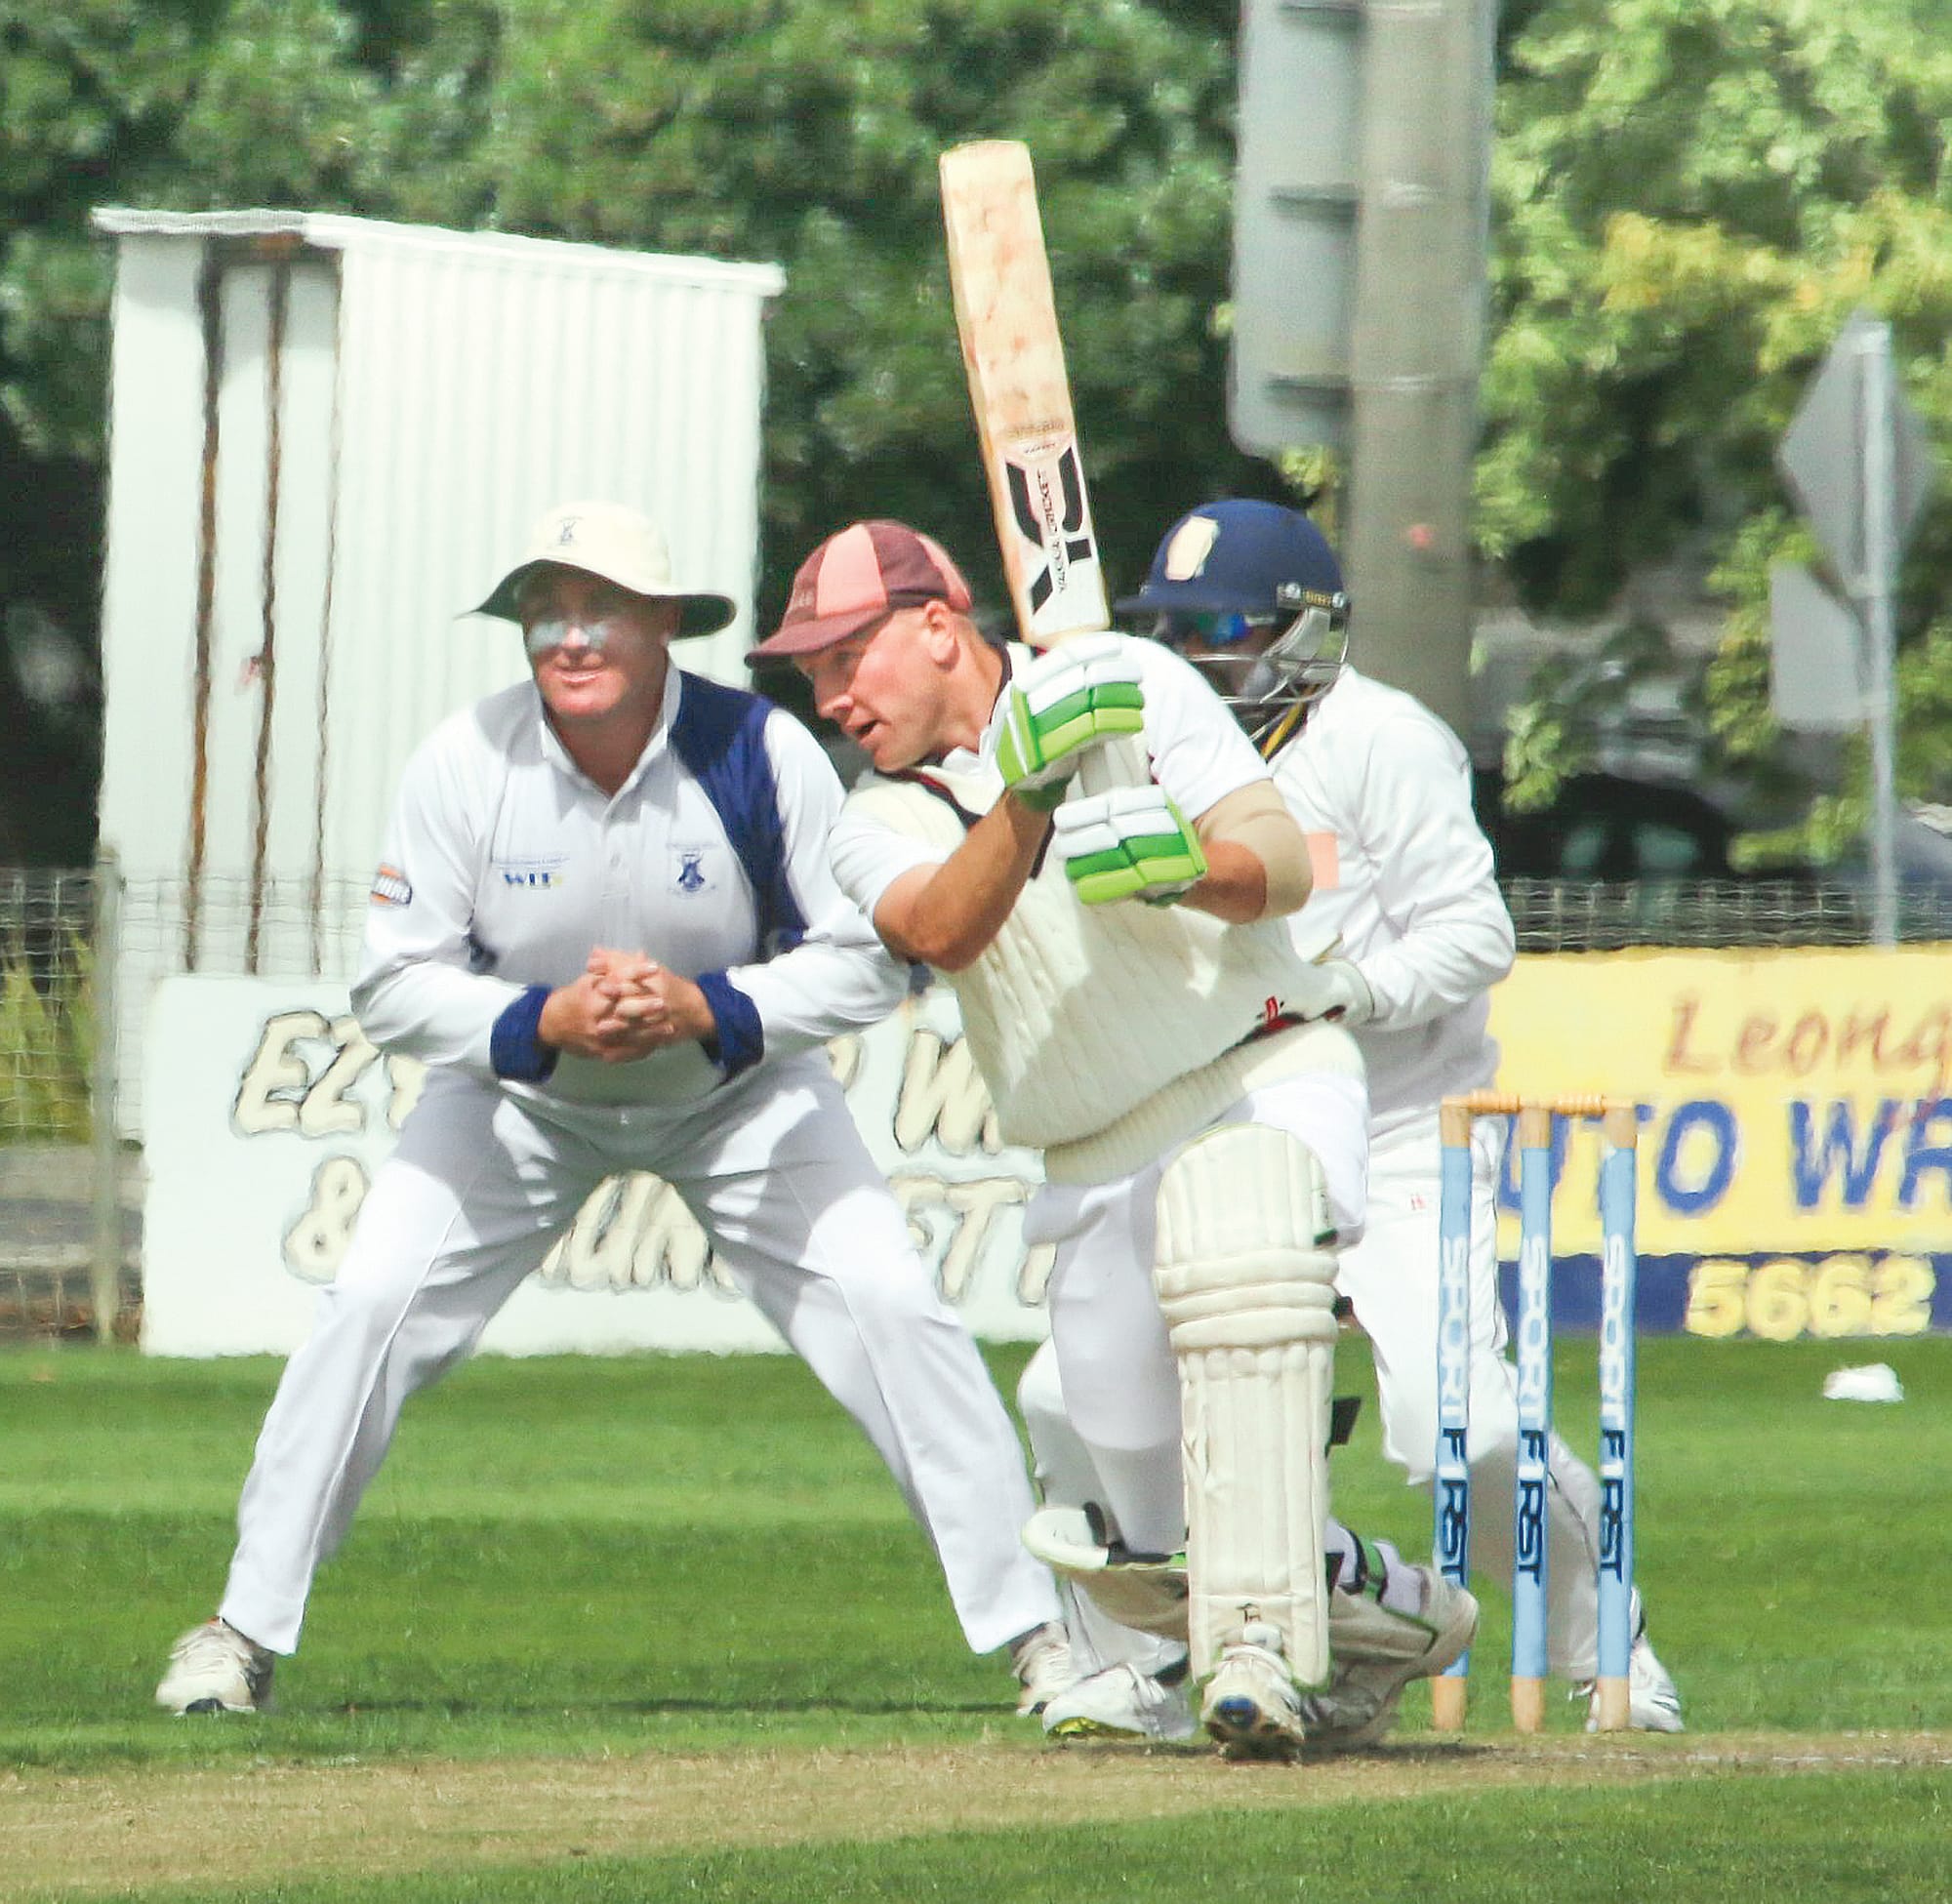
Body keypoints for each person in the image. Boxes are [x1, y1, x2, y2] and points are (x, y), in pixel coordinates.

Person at [155, 501, 1071, 1719]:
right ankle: (239, 1632)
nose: (568, 636)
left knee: (899, 1310)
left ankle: (1040, 1640)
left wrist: (707, 1007)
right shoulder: (467, 760)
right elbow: (389, 978)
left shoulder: (759, 749)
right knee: (367, 1304)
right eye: (545, 611)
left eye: (598, 611)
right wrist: (540, 1022)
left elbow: (872, 961)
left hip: (742, 1097)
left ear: (662, 629)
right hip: (518, 1102)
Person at [754, 517, 1477, 1758]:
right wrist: (1030, 796)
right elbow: (940, 928)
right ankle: (1392, 1607)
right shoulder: (865, 817)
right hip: (1091, 1154)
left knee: (1239, 1275)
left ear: (939, 626)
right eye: (808, 673)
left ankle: (1255, 1654)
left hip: (1260, 1071)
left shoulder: (1130, 687)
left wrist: (1181, 869)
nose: (828, 698)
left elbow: (1276, 864)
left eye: (845, 658)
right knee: (1142, 1508)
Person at [1023, 497, 1683, 1739]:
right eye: (1173, 630)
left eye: (1224, 625)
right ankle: (1143, 1669)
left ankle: (1609, 1643)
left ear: (1305, 630)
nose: (1200, 655)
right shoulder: (1150, 748)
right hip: (1217, 1128)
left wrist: (1351, 991)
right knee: (1067, 1397)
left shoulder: (1382, 739)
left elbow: (1474, 933)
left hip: (1394, 1131)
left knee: (1460, 1432)